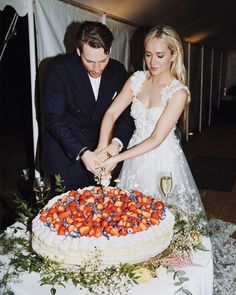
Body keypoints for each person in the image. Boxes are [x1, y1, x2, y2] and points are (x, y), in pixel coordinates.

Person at [96, 24, 204, 215]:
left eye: (160, 55)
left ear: (174, 55)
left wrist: (117, 158)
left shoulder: (178, 92)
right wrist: (103, 148)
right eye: (148, 54)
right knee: (133, 215)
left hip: (162, 160)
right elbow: (111, 114)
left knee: (164, 216)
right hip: (134, 156)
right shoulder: (136, 80)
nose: (152, 62)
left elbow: (156, 139)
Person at [41, 21, 134, 190]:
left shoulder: (118, 71)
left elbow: (125, 116)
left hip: (101, 155)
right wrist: (82, 152)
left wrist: (115, 144)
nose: (97, 69)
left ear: (110, 50)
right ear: (78, 51)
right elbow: (54, 119)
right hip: (65, 156)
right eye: (90, 61)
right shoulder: (58, 69)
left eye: (103, 60)